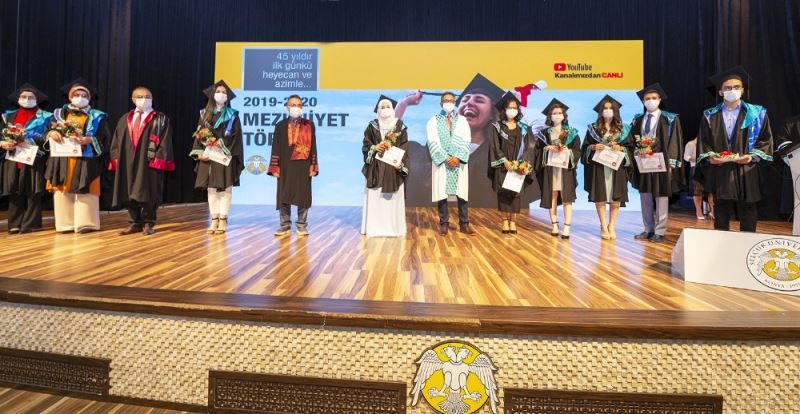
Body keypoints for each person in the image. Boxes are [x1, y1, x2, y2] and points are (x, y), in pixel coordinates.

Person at [696, 66, 773, 232]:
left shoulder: (757, 113)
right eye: (728, 88)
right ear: (721, 92)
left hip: (747, 168)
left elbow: (765, 139)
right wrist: (710, 157)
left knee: (748, 207)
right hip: (721, 168)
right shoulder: (709, 115)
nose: (732, 90)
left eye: (736, 87)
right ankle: (721, 243)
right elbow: (703, 141)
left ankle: (747, 243)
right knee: (721, 208)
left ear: (743, 90)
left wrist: (752, 157)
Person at [45, 78, 110, 233]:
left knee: (87, 188)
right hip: (62, 158)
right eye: (77, 94)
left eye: (84, 95)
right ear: (70, 96)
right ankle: (65, 224)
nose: (80, 97)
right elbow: (46, 131)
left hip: (86, 158)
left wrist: (90, 140)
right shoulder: (58, 114)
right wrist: (51, 133)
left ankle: (86, 223)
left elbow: (105, 138)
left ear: (89, 98)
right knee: (62, 189)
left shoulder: (97, 116)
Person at [108, 86, 174, 236]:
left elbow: (165, 142)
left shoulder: (160, 120)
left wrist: (158, 159)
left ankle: (149, 223)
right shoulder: (125, 119)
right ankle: (135, 223)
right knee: (128, 191)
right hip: (127, 161)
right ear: (133, 100)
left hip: (149, 162)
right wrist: (116, 158)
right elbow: (116, 140)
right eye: (140, 97)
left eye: (147, 97)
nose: (144, 99)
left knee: (149, 192)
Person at [629, 83, 684, 243]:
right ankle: (648, 229)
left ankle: (660, 231)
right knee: (645, 197)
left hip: (662, 163)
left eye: (654, 98)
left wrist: (671, 164)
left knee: (661, 197)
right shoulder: (637, 119)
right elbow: (632, 140)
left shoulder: (670, 119)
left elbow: (675, 141)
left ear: (659, 100)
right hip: (644, 163)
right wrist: (636, 151)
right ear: (643, 101)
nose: (650, 101)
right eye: (647, 98)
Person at [190, 80, 244, 235]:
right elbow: (199, 135)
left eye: (224, 92)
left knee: (225, 189)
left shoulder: (233, 116)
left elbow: (236, 138)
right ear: (212, 95)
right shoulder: (204, 114)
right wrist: (200, 154)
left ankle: (223, 219)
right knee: (211, 189)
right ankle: (214, 220)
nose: (221, 94)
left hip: (225, 157)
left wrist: (223, 150)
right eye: (218, 92)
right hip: (208, 156)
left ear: (227, 97)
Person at [0, 83, 53, 234]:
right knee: (14, 190)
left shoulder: (46, 117)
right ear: (18, 99)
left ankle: (31, 224)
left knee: (33, 191)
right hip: (13, 158)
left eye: (31, 97)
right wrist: (2, 143)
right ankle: (14, 224)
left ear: (37, 100)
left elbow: (48, 138)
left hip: (35, 157)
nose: (27, 100)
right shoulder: (8, 116)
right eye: (23, 97)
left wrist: (30, 140)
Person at [580, 95, 633, 240]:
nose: (608, 111)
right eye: (605, 108)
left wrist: (621, 148)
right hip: (599, 167)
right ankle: (603, 226)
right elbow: (584, 147)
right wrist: (593, 147)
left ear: (615, 111)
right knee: (601, 197)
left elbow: (630, 148)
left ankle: (612, 226)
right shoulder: (593, 128)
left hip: (617, 168)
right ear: (600, 111)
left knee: (616, 199)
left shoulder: (623, 129)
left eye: (611, 108)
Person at [267, 95, 318, 236]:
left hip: (303, 164)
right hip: (285, 165)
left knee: (303, 195)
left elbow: (313, 146)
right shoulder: (280, 125)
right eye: (293, 105)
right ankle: (285, 226)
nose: (296, 107)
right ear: (287, 107)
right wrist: (275, 167)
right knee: (283, 195)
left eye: (299, 105)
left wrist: (313, 165)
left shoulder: (309, 125)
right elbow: (275, 147)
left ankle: (301, 225)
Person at [361, 95, 409, 237]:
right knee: (376, 199)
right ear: (378, 110)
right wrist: (375, 147)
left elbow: (404, 147)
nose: (385, 109)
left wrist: (400, 164)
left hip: (392, 168)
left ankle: (394, 229)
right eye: (382, 107)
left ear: (393, 109)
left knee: (392, 200)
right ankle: (374, 228)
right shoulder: (372, 125)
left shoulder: (399, 126)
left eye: (388, 107)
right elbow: (366, 144)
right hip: (375, 167)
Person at [427, 91, 475, 236]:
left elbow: (467, 140)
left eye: (451, 101)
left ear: (454, 103)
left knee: (462, 193)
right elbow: (432, 141)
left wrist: (457, 157)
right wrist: (446, 157)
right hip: (442, 162)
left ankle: (464, 223)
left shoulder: (462, 121)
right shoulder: (433, 121)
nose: (448, 103)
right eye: (446, 100)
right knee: (442, 192)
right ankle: (444, 223)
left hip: (458, 162)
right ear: (441, 103)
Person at [487, 92, 535, 234]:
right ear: (504, 110)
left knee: (515, 193)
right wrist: (505, 161)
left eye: (515, 108)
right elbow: (494, 146)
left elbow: (529, 146)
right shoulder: (497, 127)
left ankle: (513, 221)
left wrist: (520, 163)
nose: (512, 110)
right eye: (509, 108)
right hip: (503, 165)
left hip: (518, 166)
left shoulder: (524, 128)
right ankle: (504, 221)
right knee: (503, 193)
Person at [533, 98, 581, 239]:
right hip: (550, 169)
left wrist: (567, 150)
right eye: (554, 113)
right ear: (550, 116)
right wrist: (547, 148)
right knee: (552, 197)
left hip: (565, 170)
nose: (557, 115)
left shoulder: (571, 133)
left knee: (567, 198)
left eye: (560, 113)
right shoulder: (544, 134)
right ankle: (554, 225)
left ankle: (567, 227)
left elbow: (577, 151)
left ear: (564, 115)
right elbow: (537, 151)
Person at [684, 137, 714, 220]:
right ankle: (698, 211)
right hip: (696, 168)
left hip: (709, 169)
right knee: (697, 192)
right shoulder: (691, 144)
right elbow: (686, 157)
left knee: (711, 192)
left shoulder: (709, 144)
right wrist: (699, 158)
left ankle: (712, 211)